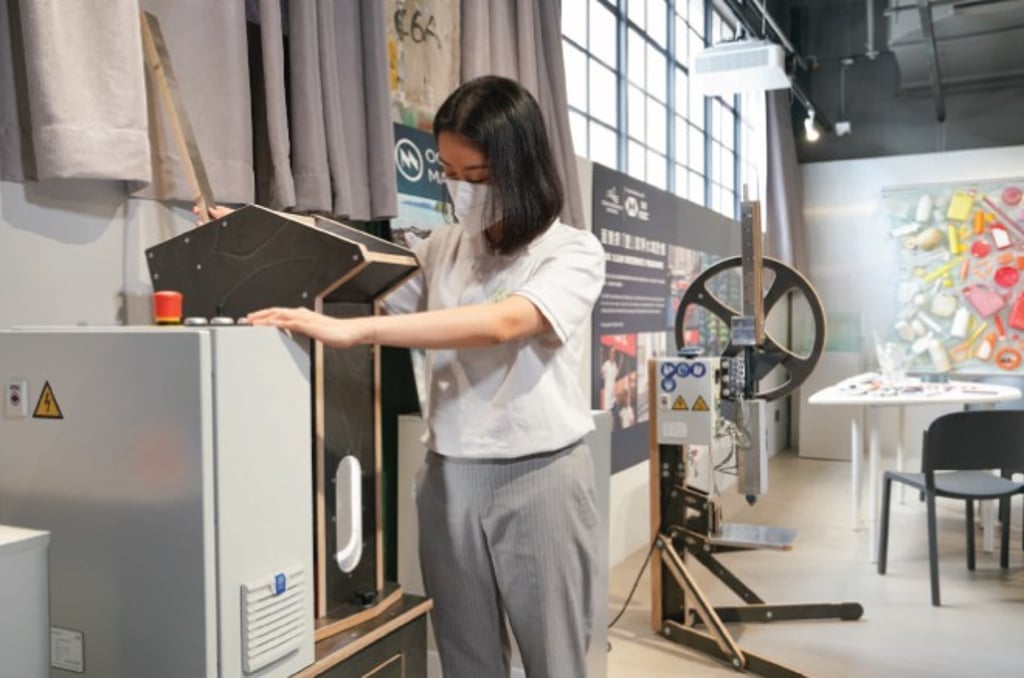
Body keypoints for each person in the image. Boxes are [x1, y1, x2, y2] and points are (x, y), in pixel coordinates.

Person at [247, 76, 605, 678]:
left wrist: (357, 332)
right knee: (465, 656)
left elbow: (502, 324)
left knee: (554, 659)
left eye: (478, 176)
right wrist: (256, 232)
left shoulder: (570, 252)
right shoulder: (442, 248)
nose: (461, 191)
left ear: (520, 169)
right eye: (449, 172)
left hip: (539, 478)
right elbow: (356, 272)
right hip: (448, 476)